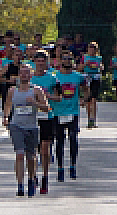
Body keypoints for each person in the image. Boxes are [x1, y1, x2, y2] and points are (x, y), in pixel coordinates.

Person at [5, 63, 49, 197]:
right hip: (16, 126)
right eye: (22, 72)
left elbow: (47, 108)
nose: (24, 75)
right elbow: (7, 106)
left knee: (31, 156)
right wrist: (6, 117)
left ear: (31, 75)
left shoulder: (36, 90)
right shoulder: (12, 91)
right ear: (19, 74)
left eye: (26, 72)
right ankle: (19, 185)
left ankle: (31, 178)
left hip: (32, 127)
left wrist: (35, 103)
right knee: (19, 154)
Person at [30, 50, 59, 195]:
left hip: (47, 116)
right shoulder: (28, 79)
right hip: (31, 117)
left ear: (47, 62)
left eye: (43, 61)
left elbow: (59, 97)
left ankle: (45, 177)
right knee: (33, 150)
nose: (40, 64)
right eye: (38, 61)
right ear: (34, 62)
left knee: (45, 149)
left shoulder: (53, 79)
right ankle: (33, 176)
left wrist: (48, 96)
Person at [53, 51, 84, 182]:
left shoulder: (77, 76)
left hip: (73, 112)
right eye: (64, 59)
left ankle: (73, 166)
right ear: (60, 61)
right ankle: (60, 168)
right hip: (58, 112)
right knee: (59, 141)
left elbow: (86, 87)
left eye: (69, 59)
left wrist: (84, 98)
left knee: (73, 138)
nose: (67, 61)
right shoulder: (55, 76)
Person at [82, 41, 104, 128]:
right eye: (90, 48)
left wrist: (100, 66)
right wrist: (85, 64)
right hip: (87, 77)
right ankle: (89, 118)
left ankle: (93, 119)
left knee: (93, 99)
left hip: (95, 78)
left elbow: (102, 67)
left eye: (93, 48)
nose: (92, 50)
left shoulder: (99, 58)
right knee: (88, 99)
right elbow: (79, 67)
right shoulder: (85, 57)